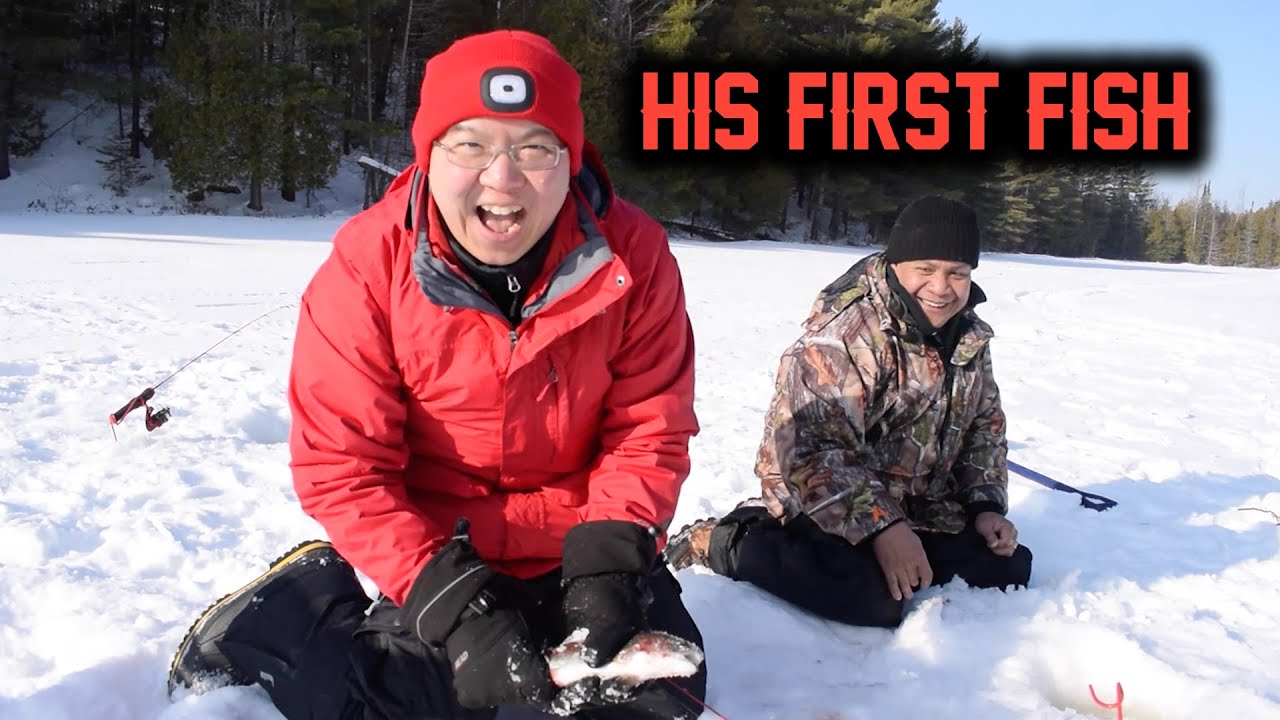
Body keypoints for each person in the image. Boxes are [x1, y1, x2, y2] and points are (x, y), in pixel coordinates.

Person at [166, 29, 707, 720]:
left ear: (572, 161)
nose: (502, 178)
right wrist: (451, 602)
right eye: (470, 144)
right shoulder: (368, 264)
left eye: (534, 148)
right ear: (429, 153)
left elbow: (648, 428)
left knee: (660, 699)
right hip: (438, 547)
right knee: (392, 705)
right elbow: (342, 465)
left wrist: (607, 564)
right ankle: (277, 615)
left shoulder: (635, 256)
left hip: (581, 537)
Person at [665, 195, 1032, 629]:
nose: (941, 287)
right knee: (871, 598)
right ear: (898, 266)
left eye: (957, 273)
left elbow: (984, 428)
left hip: (918, 504)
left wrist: (984, 506)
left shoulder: (967, 337)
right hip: (819, 500)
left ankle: (903, 545)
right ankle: (727, 540)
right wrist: (883, 529)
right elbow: (813, 449)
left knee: (1009, 568)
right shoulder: (845, 334)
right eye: (925, 270)